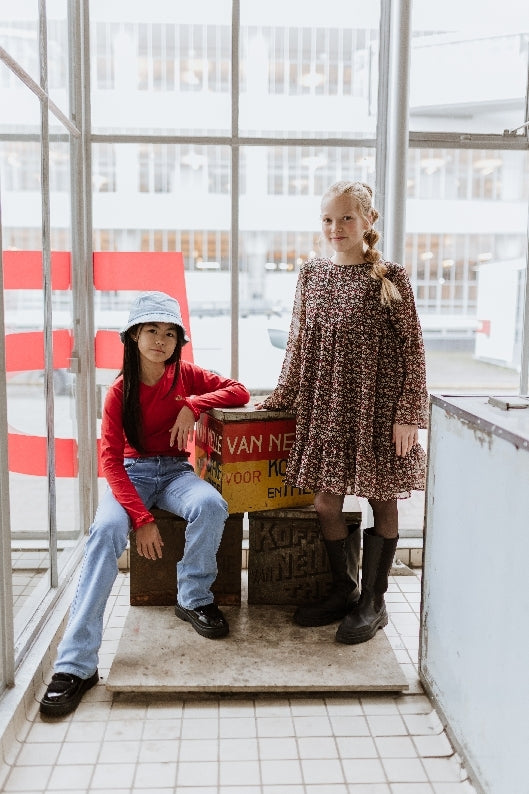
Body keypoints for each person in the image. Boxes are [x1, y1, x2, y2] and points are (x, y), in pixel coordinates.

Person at [40, 291, 250, 717]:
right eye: (152, 330)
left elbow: (239, 391)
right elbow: (110, 462)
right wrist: (141, 518)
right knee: (104, 531)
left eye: (170, 333)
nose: (161, 340)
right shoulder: (120, 392)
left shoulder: (185, 376)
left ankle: (193, 597)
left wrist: (193, 404)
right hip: (131, 474)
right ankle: (75, 664)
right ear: (134, 336)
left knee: (212, 505)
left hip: (175, 473)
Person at [256, 181, 428, 646]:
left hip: (377, 408)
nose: (336, 227)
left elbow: (412, 350)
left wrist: (408, 413)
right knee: (326, 503)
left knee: (382, 499)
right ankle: (344, 589)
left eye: (347, 218)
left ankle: (374, 601)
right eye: (328, 219)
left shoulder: (391, 276)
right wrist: (281, 395)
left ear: (368, 221)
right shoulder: (311, 275)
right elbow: (298, 342)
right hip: (326, 407)